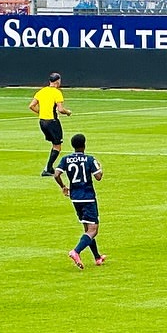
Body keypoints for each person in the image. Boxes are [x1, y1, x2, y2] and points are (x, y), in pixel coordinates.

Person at [53, 133, 105, 268]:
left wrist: (64, 187)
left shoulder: (66, 159)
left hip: (75, 198)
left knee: (87, 228)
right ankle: (76, 251)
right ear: (84, 144)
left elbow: (56, 174)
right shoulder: (89, 159)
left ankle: (97, 257)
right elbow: (98, 177)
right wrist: (99, 168)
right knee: (93, 230)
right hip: (88, 197)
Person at [29, 72, 72, 177]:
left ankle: (49, 168)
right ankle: (48, 168)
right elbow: (60, 109)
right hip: (52, 121)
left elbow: (31, 106)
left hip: (42, 121)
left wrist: (41, 112)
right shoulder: (57, 93)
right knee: (57, 146)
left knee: (54, 144)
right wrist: (68, 112)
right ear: (58, 81)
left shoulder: (41, 91)